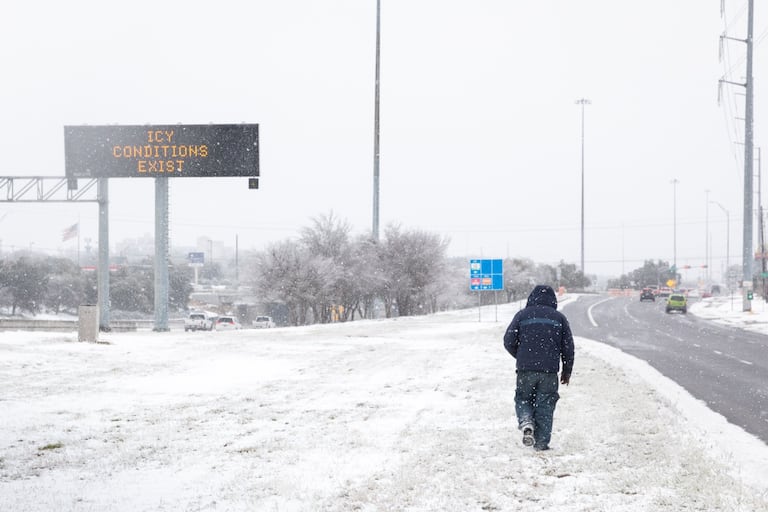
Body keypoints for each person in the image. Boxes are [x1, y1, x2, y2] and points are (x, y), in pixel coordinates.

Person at [503, 284, 574, 451]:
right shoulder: (559, 318)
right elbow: (568, 348)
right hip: (549, 371)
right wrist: (566, 370)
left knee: (523, 398)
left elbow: (508, 341)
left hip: (525, 369)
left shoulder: (522, 315)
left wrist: (521, 356)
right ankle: (541, 443)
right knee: (546, 404)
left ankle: (526, 421)